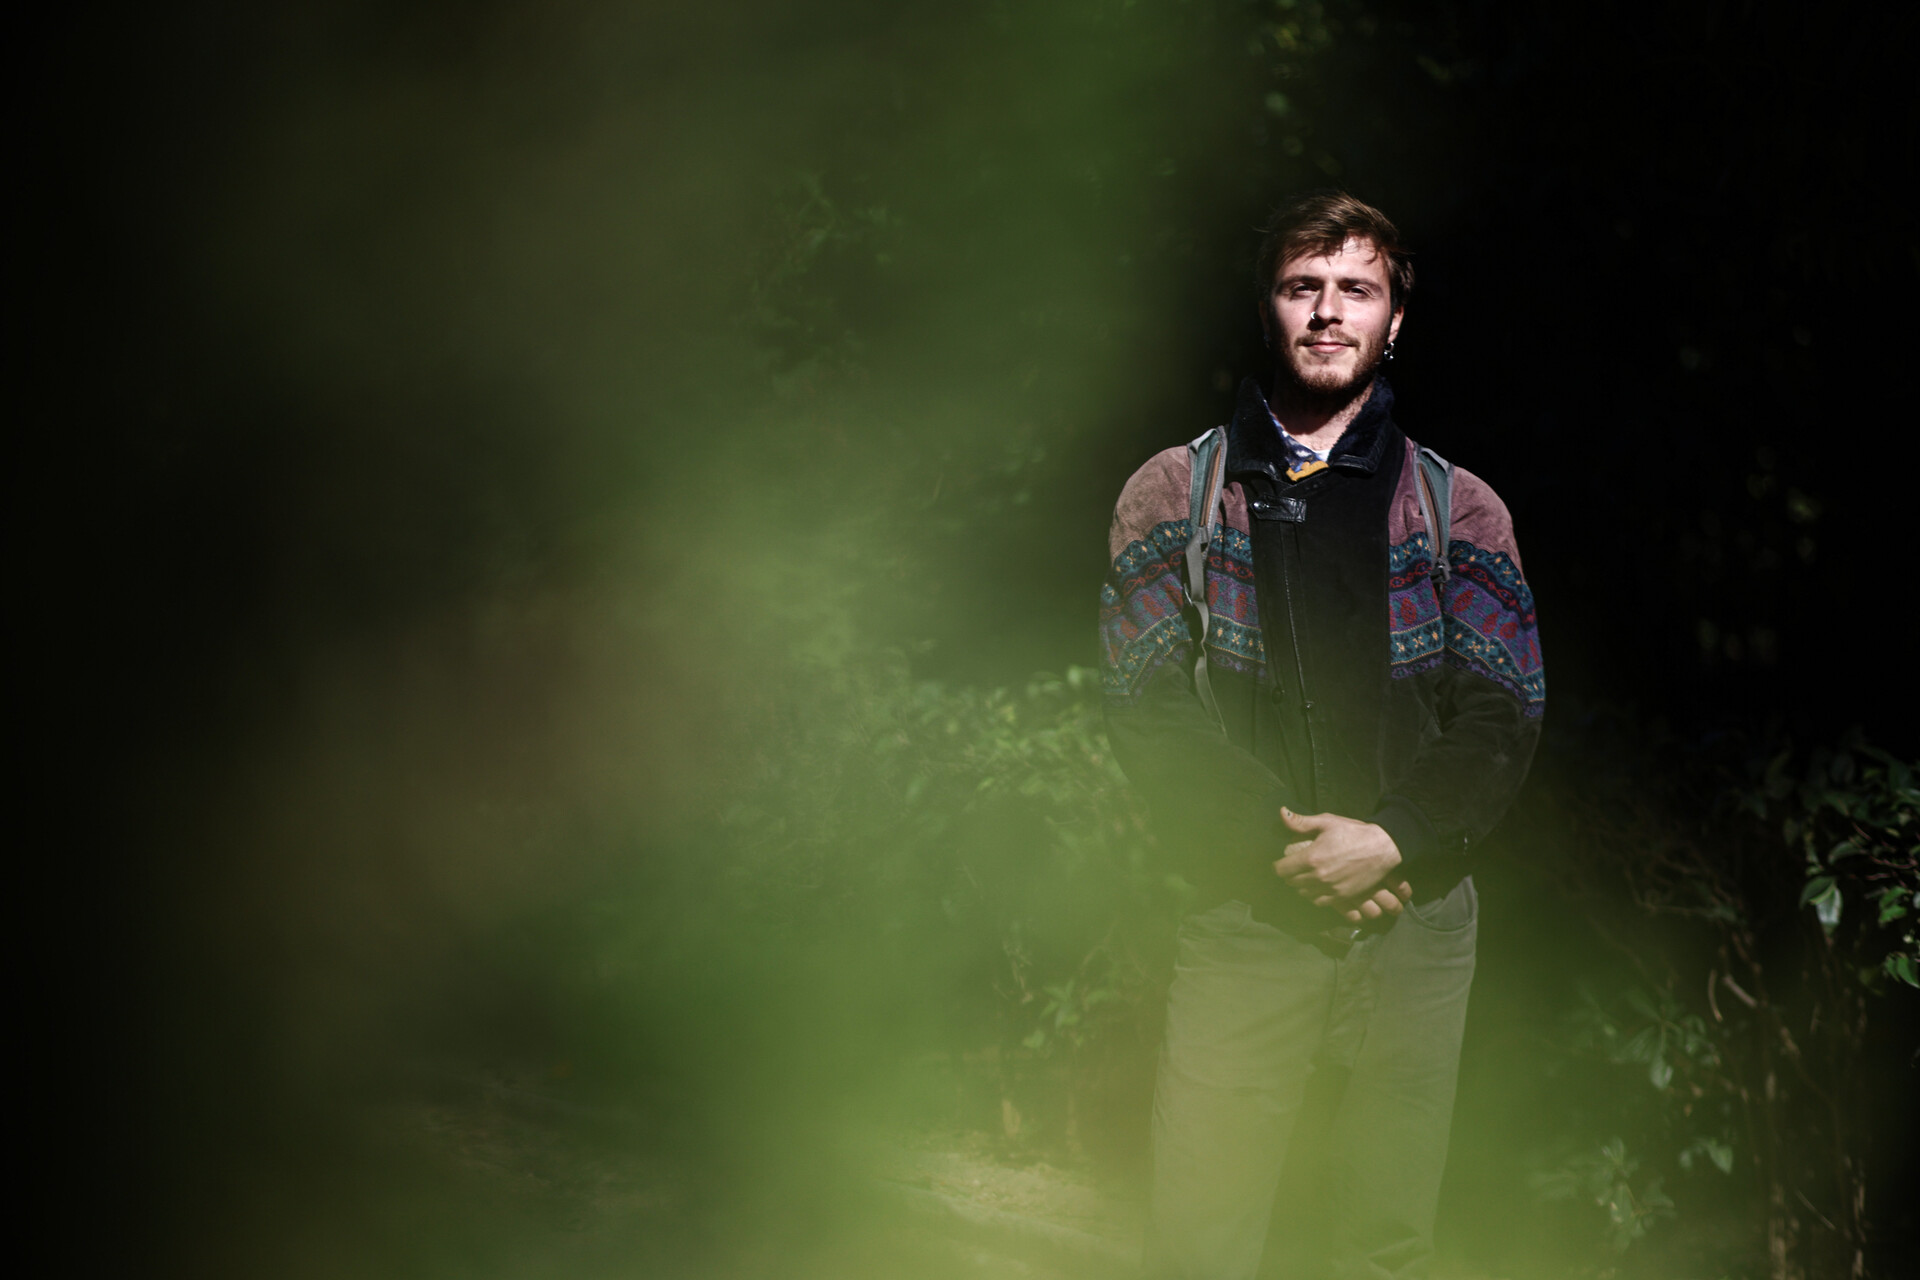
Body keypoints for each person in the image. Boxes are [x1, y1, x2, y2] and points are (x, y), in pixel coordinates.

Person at [1099, 191, 1543, 1279]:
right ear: (1269, 308)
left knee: (1383, 1242)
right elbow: (1145, 703)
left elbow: (1504, 707)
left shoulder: (1460, 509)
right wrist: (1283, 845)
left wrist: (1391, 837)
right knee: (1201, 1238)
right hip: (1245, 913)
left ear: (1395, 321)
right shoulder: (1178, 493)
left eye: (1357, 288)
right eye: (1303, 286)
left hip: (1417, 925)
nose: (1329, 311)